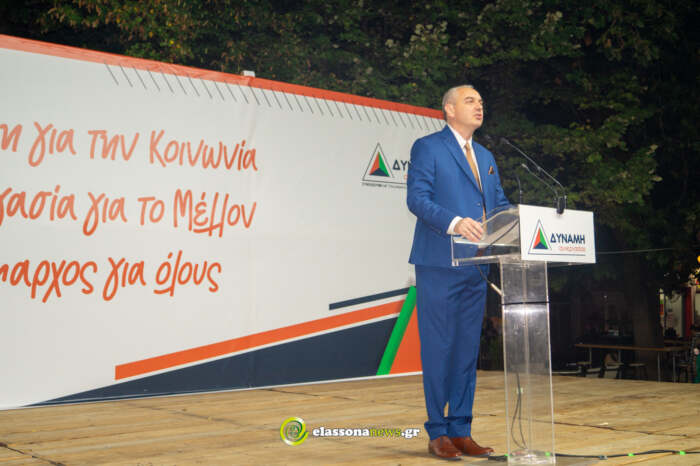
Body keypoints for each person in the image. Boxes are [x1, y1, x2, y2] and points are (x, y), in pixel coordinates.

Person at [407, 84, 510, 460]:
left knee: (466, 350)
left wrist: (522, 222)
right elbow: (417, 199)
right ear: (449, 109)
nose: (479, 105)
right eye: (470, 100)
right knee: (439, 348)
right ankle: (438, 431)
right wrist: (454, 222)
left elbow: (499, 205)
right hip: (439, 262)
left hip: (476, 265)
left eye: (481, 101)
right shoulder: (428, 147)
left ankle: (461, 429)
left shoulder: (485, 156)